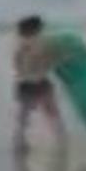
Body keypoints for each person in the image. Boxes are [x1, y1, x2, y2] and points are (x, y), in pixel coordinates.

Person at [12, 15, 66, 153]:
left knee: (24, 116)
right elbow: (51, 60)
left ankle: (20, 142)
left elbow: (17, 65)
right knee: (52, 112)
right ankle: (62, 140)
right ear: (36, 29)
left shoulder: (21, 46)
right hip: (40, 83)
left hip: (24, 84)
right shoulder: (41, 44)